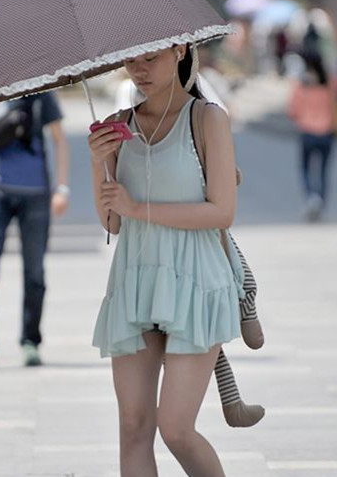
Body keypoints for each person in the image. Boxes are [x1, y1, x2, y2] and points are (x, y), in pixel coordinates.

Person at [89, 43, 240, 476]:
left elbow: (222, 211)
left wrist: (142, 209)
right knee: (133, 426)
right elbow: (112, 223)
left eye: (149, 58)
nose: (138, 69)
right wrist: (98, 160)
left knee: (176, 428)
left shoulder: (207, 118)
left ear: (179, 50)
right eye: (130, 59)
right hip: (136, 281)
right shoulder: (118, 127)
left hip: (197, 281)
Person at [0, 91, 70, 370]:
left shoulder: (42, 93)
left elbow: (59, 140)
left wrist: (62, 189)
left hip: (36, 194)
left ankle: (30, 341)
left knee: (34, 272)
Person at [287, 49, 337, 220]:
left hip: (308, 131)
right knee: (324, 170)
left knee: (305, 168)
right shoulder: (331, 82)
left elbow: (292, 110)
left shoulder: (301, 84)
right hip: (327, 132)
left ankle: (312, 195)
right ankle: (320, 199)